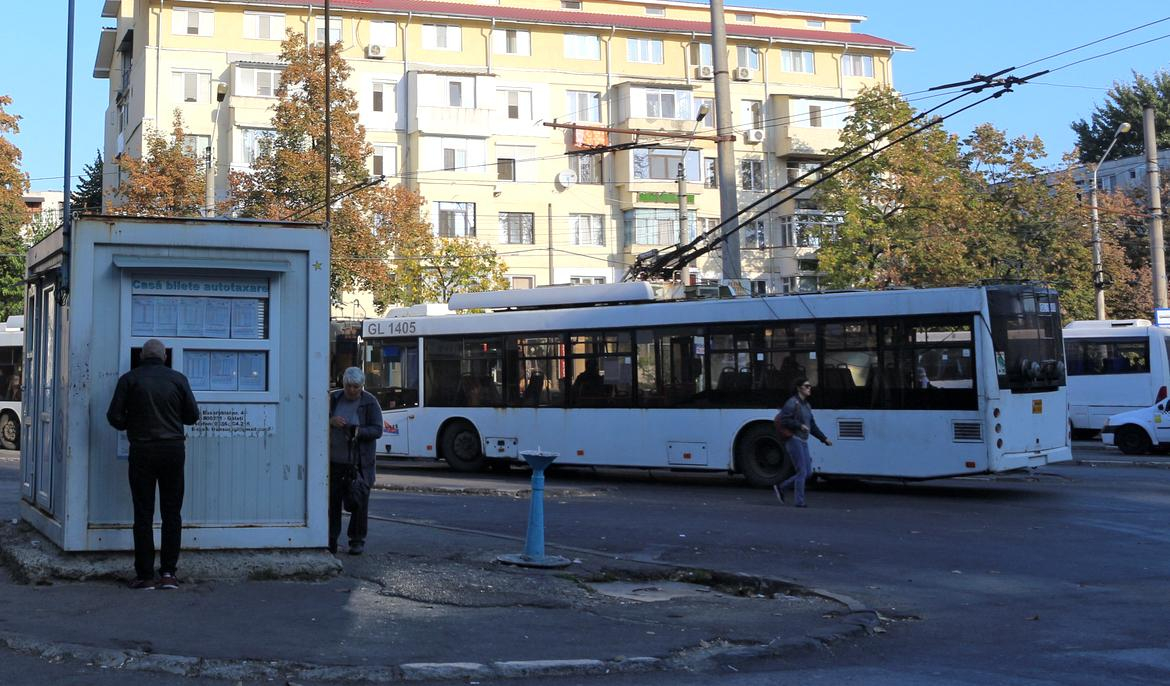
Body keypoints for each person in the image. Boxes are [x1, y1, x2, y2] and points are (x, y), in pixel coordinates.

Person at [105, 339, 201, 590]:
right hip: (173, 450)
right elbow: (192, 416)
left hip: (142, 451)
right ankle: (168, 573)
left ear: (141, 357)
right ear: (165, 357)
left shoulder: (129, 379)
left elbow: (114, 416)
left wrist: (132, 424)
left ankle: (145, 575)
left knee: (143, 513)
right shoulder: (178, 379)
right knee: (172, 513)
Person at [328, 367, 384, 555]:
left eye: (356, 387)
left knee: (359, 502)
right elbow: (316, 417)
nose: (352, 390)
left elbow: (377, 430)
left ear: (362, 386)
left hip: (359, 463)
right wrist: (331, 421)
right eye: (348, 386)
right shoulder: (334, 398)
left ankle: (357, 540)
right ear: (343, 384)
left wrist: (358, 431)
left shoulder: (370, 402)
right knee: (332, 503)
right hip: (335, 462)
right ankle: (331, 539)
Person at [776, 377, 832, 508]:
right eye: (807, 386)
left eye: (810, 386)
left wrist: (824, 439)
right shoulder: (792, 403)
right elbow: (784, 420)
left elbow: (812, 425)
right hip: (793, 439)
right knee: (802, 471)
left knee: (808, 473)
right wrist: (799, 426)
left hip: (803, 440)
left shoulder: (806, 405)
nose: (809, 388)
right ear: (799, 388)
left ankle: (781, 487)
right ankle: (799, 502)